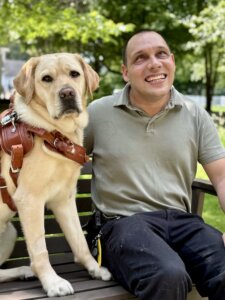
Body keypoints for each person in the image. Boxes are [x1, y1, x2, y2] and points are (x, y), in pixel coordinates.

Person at [84, 30, 225, 300]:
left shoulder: (195, 114)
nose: (154, 63)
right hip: (121, 225)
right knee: (168, 275)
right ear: (125, 72)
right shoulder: (98, 113)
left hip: (182, 222)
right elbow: (58, 156)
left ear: (172, 60)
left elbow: (221, 176)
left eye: (161, 54)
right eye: (141, 58)